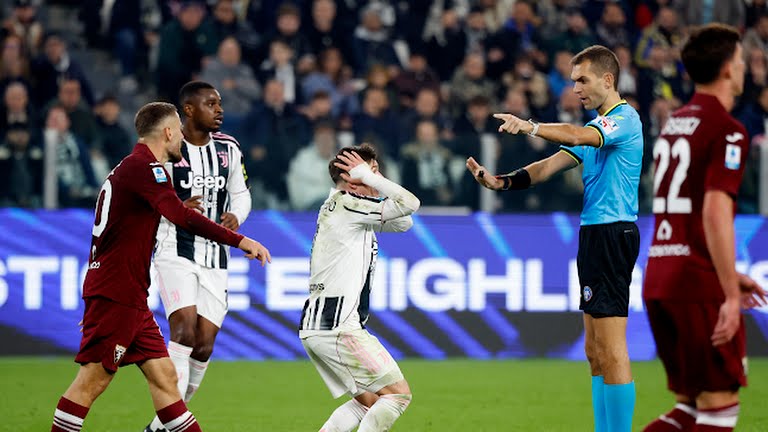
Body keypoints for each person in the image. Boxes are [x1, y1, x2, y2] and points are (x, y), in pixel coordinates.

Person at [50, 101, 271, 432]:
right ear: (167, 132)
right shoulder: (147, 168)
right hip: (118, 294)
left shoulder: (132, 168)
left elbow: (129, 226)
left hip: (127, 297)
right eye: (179, 130)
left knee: (166, 379)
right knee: (92, 381)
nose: (183, 137)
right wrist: (240, 240)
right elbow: (182, 218)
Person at [466, 45, 643, 432]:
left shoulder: (623, 120)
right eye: (573, 81)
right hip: (593, 234)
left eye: (582, 80)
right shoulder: (598, 128)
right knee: (594, 350)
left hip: (613, 233)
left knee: (612, 348)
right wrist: (501, 182)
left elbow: (576, 136)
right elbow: (547, 167)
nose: (575, 88)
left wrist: (529, 126)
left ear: (608, 80)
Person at [642, 24, 767, 432]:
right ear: (729, 68)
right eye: (742, 60)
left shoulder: (674, 123)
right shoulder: (728, 130)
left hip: (660, 275)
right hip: (695, 282)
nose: (745, 68)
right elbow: (715, 211)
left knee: (690, 407)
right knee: (719, 407)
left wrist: (728, 276)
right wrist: (729, 292)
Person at [144, 81, 252, 432]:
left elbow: (242, 193)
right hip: (176, 249)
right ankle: (176, 424)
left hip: (216, 256)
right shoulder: (168, 149)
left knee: (203, 345)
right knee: (184, 331)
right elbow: (148, 198)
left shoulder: (229, 149)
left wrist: (236, 215)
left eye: (219, 103)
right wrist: (176, 208)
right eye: (210, 104)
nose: (219, 110)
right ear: (188, 110)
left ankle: (160, 427)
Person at [300, 144, 420, 432]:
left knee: (367, 402)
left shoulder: (348, 208)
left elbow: (404, 222)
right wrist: (371, 178)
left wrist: (373, 181)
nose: (377, 177)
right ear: (351, 178)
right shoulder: (347, 205)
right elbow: (411, 203)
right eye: (370, 171)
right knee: (398, 395)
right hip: (339, 328)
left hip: (322, 327)